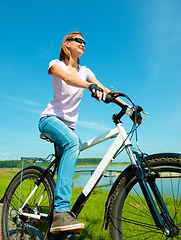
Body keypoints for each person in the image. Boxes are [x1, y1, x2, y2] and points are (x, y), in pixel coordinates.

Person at [38, 31, 131, 234]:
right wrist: (91, 86)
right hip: (50, 120)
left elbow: (105, 89)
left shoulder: (86, 70)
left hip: (68, 127)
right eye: (78, 40)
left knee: (70, 152)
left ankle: (57, 226)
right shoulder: (56, 64)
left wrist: (129, 108)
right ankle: (62, 212)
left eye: (84, 42)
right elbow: (69, 79)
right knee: (74, 143)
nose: (83, 44)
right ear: (67, 44)